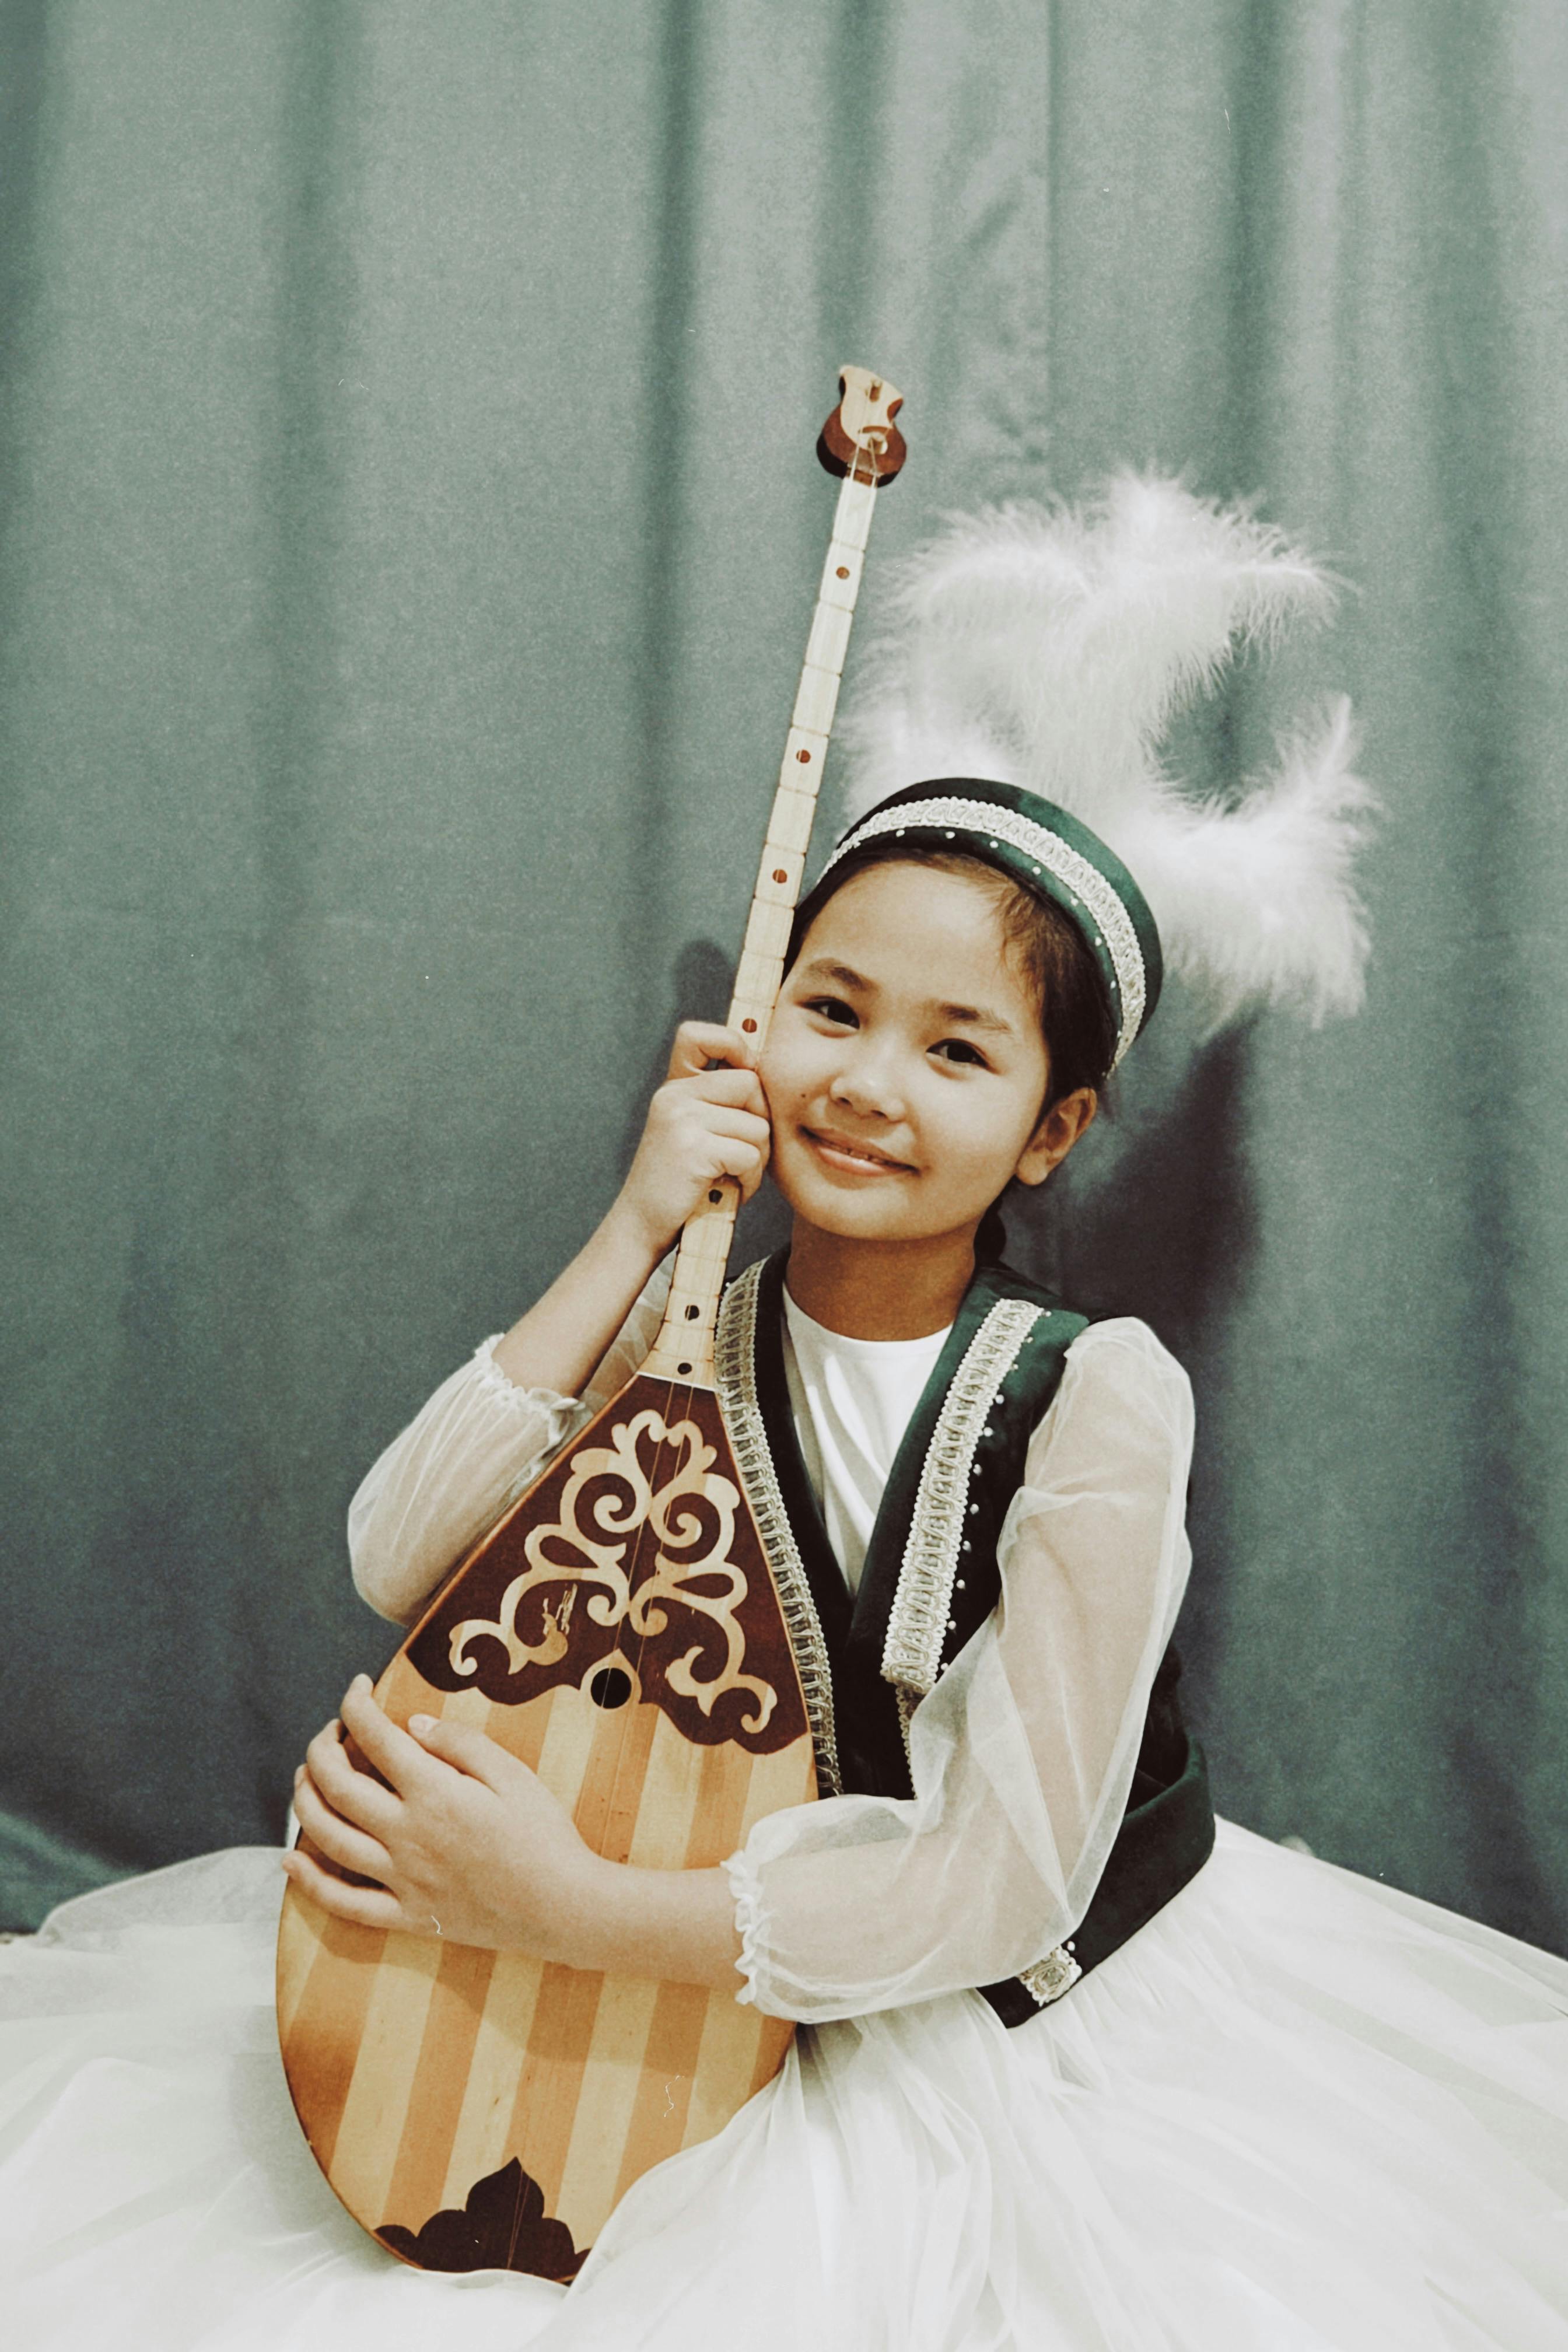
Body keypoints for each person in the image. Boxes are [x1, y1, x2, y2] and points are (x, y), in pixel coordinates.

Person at [6, 776, 1566, 2352]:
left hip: (1005, 2018)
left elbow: (1002, 1893)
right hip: (672, 1975)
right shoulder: (688, 1330)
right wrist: (634, 1224)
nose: (870, 1083)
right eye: (831, 1009)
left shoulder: (1099, 1396)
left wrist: (566, 1908)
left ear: (1052, 1131)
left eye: (957, 1048)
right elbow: (399, 1555)